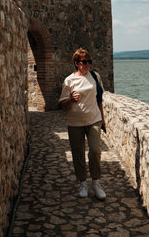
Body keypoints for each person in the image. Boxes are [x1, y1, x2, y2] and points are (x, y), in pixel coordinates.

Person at [59, 47, 106, 199]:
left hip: (94, 119)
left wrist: (103, 118)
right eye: (84, 62)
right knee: (78, 153)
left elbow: (99, 99)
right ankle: (83, 184)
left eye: (89, 62)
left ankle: (96, 182)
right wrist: (71, 100)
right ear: (76, 63)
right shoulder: (69, 80)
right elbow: (62, 104)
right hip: (75, 122)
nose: (87, 65)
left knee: (95, 151)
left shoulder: (95, 76)